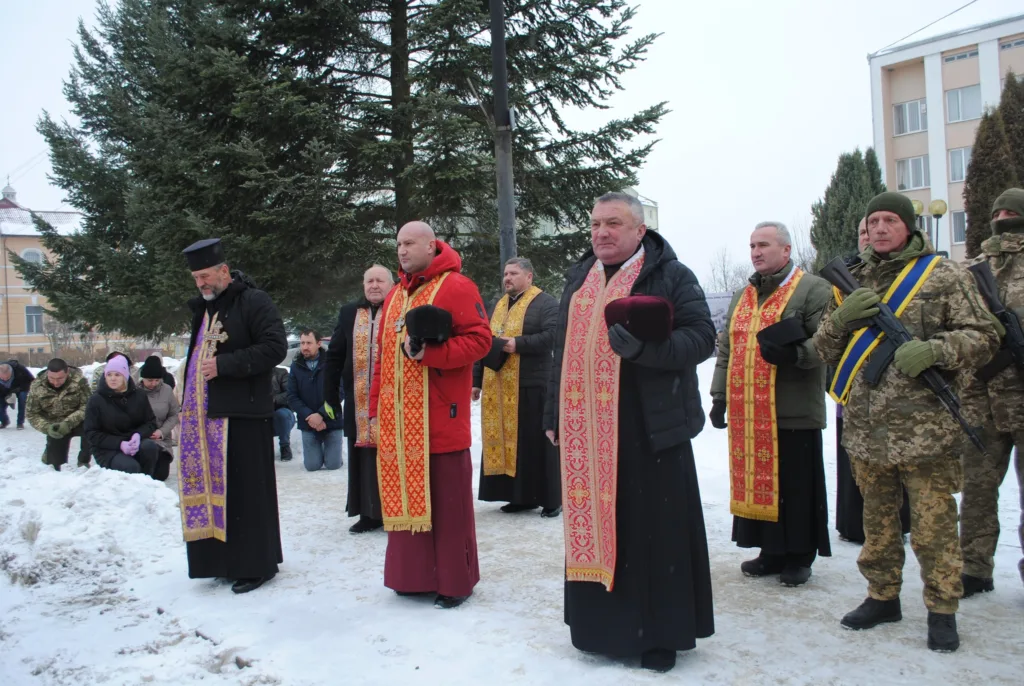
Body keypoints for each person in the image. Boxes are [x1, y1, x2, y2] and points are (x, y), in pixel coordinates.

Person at [813, 192, 999, 652]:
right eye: (872, 220)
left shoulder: (944, 275)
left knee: (934, 525)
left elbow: (985, 335)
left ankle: (942, 608)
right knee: (876, 523)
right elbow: (821, 348)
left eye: (889, 220)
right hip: (865, 429)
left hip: (927, 431)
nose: (878, 228)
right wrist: (839, 320)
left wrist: (938, 350)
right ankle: (882, 596)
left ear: (909, 226)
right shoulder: (850, 281)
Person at [543, 192, 716, 673]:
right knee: (596, 527)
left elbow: (702, 337)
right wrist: (553, 413)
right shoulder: (580, 277)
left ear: (640, 230)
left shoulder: (671, 275)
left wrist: (645, 350)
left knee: (652, 533)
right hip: (585, 430)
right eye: (596, 224)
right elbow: (561, 350)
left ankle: (659, 633)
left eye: (613, 224)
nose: (601, 233)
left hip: (649, 430)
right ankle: (599, 627)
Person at [368, 221, 491, 609]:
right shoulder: (394, 296)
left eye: (409, 243)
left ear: (431, 246)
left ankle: (455, 582)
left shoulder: (457, 286)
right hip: (397, 423)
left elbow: (480, 340)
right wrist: (374, 408)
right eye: (398, 244)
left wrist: (430, 354)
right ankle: (414, 577)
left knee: (448, 506)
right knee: (404, 500)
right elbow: (383, 359)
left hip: (440, 418)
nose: (402, 250)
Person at [710, 221, 833, 587]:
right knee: (760, 482)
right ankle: (770, 550)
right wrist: (719, 397)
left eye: (764, 245)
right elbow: (727, 348)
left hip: (792, 409)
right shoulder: (743, 295)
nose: (756, 252)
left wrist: (795, 355)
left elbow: (829, 340)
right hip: (750, 409)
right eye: (752, 246)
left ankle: (799, 555)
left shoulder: (813, 289)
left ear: (786, 250)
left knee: (795, 485)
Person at [178, 238, 287, 594]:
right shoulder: (204, 308)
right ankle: (219, 561)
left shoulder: (254, 300)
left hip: (243, 414)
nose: (201, 284)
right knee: (217, 492)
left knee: (245, 494)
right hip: (207, 417)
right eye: (196, 278)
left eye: (206, 276)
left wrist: (224, 365)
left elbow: (274, 347)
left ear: (224, 271)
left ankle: (256, 565)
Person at [960, 187, 1024, 594]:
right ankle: (975, 569)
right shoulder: (975, 269)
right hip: (982, 399)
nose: (1003, 217)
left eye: (1011, 213)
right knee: (978, 490)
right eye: (998, 211)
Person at [834, 219, 911, 544]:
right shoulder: (845, 278)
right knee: (856, 469)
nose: (870, 235)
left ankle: (900, 525)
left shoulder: (909, 275)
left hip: (902, 399)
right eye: (863, 231)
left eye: (876, 229)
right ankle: (852, 525)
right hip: (853, 391)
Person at [473, 257, 561, 517]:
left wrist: (518, 344)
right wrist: (476, 381)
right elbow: (484, 343)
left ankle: (550, 499)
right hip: (498, 387)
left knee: (537, 445)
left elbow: (554, 335)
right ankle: (520, 496)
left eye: (513, 274)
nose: (507, 278)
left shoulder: (545, 302)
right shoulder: (497, 305)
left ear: (529, 276)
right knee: (513, 445)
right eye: (505, 274)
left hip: (533, 385)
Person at [323, 264, 393, 533]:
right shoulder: (350, 312)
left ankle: (393, 510)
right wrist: (329, 395)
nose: (374, 286)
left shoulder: (400, 309)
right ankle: (368, 512)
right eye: (369, 281)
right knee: (362, 457)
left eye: (380, 281)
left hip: (392, 400)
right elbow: (335, 355)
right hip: (358, 399)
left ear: (391, 284)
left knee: (389, 454)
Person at [84, 355, 172, 480]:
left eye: (117, 375)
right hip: (108, 448)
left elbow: (151, 423)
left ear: (125, 376)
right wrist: (120, 444)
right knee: (131, 467)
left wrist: (138, 435)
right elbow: (91, 433)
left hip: (134, 442)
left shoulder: (139, 395)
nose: (113, 378)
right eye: (109, 375)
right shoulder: (96, 400)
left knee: (150, 448)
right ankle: (126, 491)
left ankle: (146, 483)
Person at [288, 329, 344, 472]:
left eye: (309, 343)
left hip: (331, 421)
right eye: (302, 343)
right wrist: (310, 416)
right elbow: (292, 396)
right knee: (312, 466)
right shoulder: (295, 367)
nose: (305, 347)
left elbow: (340, 391)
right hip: (308, 422)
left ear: (319, 343)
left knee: (333, 465)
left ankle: (332, 451)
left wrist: (321, 414)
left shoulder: (332, 363)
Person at [26, 358, 92, 470]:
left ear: (67, 373)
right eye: (52, 378)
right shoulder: (37, 386)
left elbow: (88, 406)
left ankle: (83, 461)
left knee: (92, 427)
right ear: (47, 373)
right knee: (55, 466)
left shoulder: (79, 381)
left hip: (78, 421)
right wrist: (47, 428)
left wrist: (68, 423)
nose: (55, 382)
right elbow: (32, 414)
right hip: (55, 427)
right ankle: (50, 453)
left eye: (60, 378)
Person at [139, 356, 180, 454]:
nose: (153, 383)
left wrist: (162, 432)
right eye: (150, 380)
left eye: (157, 380)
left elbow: (174, 414)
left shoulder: (167, 390)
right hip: (141, 442)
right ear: (143, 378)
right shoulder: (135, 392)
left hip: (163, 441)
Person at [0, 360, 34, 429]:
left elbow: (32, 381)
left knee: (22, 398)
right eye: (2, 378)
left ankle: (20, 423)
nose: (5, 380)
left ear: (11, 373)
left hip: (20, 388)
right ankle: (4, 421)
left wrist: (20, 388)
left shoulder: (20, 369)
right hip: (3, 390)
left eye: (7, 378)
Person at [271, 366, 295, 461]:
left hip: (280, 411)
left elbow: (290, 393)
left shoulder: (281, 373)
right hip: (259, 412)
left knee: (282, 415)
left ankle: (284, 446)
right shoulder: (251, 374)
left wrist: (273, 399)